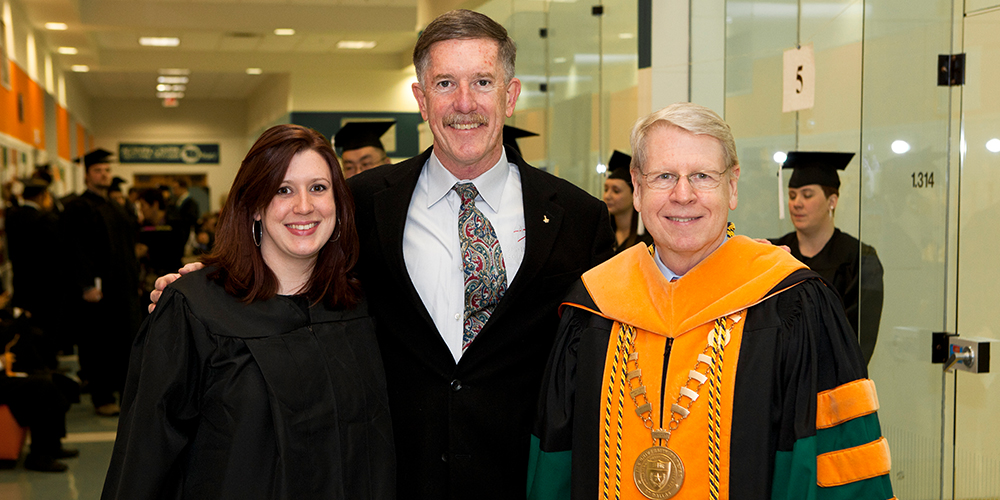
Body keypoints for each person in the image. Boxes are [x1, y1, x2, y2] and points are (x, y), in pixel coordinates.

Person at [151, 10, 613, 500]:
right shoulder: (361, 203)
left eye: (482, 81)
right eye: (443, 83)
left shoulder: (578, 218)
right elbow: (296, 270)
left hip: (524, 477)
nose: (464, 103)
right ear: (420, 98)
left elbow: (600, 349)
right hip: (390, 474)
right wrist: (212, 285)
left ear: (511, 95)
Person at [528, 103, 893, 500]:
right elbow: (556, 464)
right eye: (664, 176)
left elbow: (834, 467)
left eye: (702, 176)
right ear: (637, 187)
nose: (682, 195)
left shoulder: (793, 304)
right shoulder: (593, 305)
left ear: (732, 186)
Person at [102, 124, 394, 500]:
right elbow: (144, 460)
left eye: (318, 188)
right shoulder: (196, 310)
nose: (304, 206)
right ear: (254, 204)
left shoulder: (360, 306)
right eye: (282, 189)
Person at [769, 151, 884, 365]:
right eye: (792, 195)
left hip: (834, 381)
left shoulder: (859, 259)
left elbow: (859, 339)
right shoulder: (775, 254)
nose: (797, 203)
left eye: (807, 194)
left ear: (832, 200)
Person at [60, 148, 141, 417]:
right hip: (98, 289)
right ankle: (102, 396)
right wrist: (85, 285)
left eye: (107, 171)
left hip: (123, 287)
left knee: (124, 341)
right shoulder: (78, 207)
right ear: (85, 175)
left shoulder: (114, 206)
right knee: (99, 344)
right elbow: (76, 250)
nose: (104, 175)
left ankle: (123, 393)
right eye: (98, 171)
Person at [604, 150, 653, 254]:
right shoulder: (603, 236)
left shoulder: (648, 243)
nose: (607, 196)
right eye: (606, 189)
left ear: (634, 195)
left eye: (616, 191)